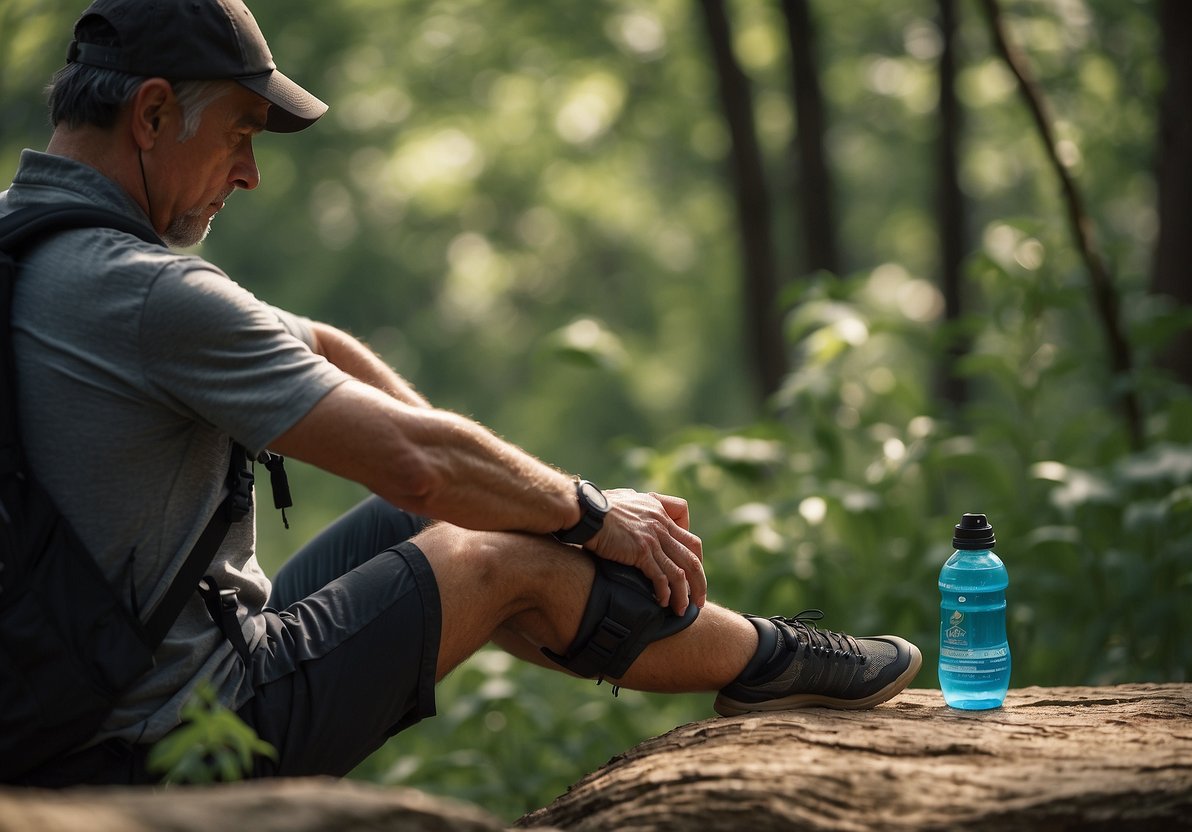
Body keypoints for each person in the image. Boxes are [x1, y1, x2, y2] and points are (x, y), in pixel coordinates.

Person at [1, 0, 922, 786]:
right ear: (153, 114)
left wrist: (493, 490)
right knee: (500, 556)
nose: (248, 171)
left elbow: (323, 348)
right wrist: (593, 515)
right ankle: (772, 659)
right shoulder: (147, 293)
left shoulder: (37, 249)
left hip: (64, 699)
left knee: (462, 517)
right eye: (240, 134)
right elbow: (418, 464)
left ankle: (759, 654)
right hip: (160, 741)